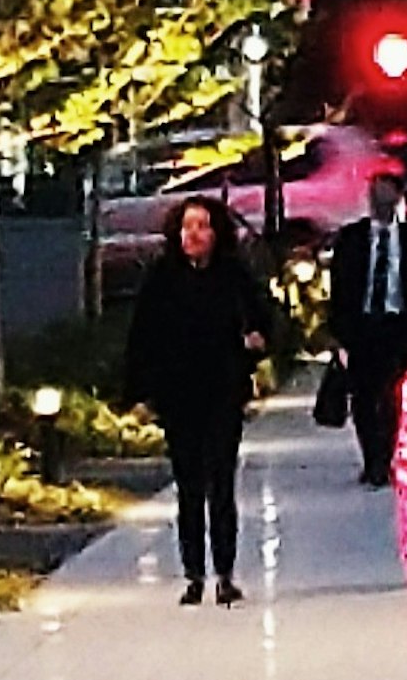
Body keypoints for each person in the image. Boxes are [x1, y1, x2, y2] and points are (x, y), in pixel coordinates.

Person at [121, 191, 287, 602]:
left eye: (201, 226)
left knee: (221, 484)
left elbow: (262, 320)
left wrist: (256, 342)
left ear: (216, 233)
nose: (192, 234)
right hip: (178, 396)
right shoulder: (162, 278)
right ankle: (193, 573)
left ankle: (225, 573)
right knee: (188, 486)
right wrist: (140, 394)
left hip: (222, 392)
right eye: (186, 227)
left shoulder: (234, 275)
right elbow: (142, 338)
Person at [322, 162, 407, 488]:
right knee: (362, 394)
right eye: (374, 195)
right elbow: (340, 285)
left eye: (385, 194)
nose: (379, 201)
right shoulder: (352, 238)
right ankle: (370, 455)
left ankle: (383, 457)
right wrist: (337, 330)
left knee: (388, 393)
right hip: (360, 326)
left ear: (398, 197)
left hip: (395, 325)